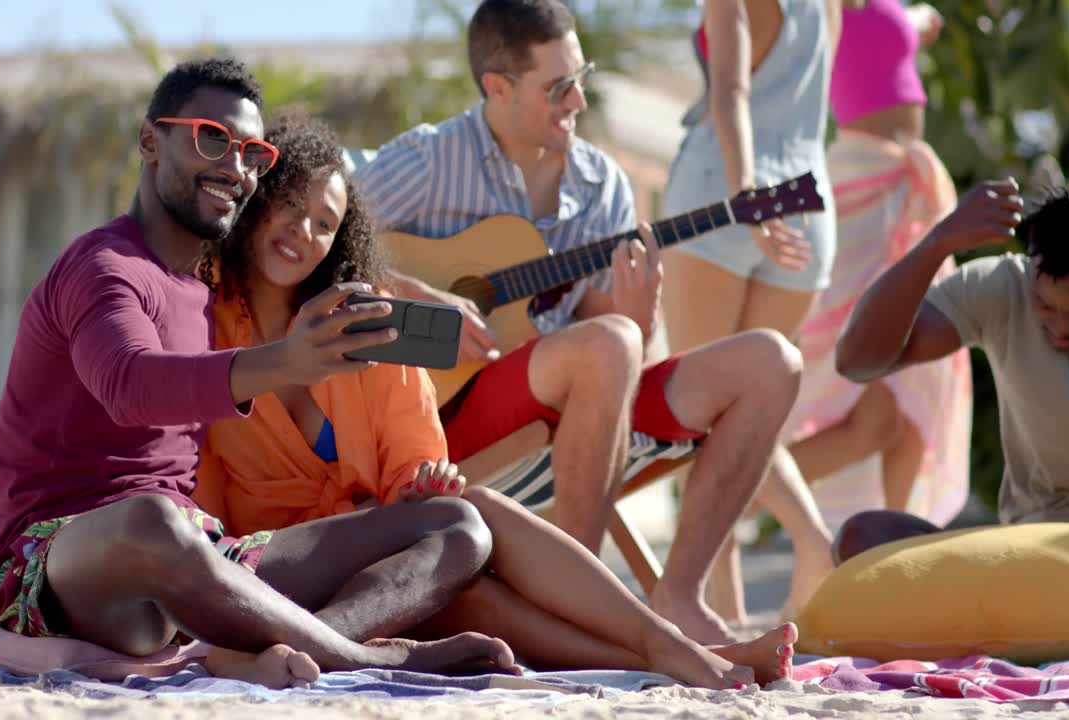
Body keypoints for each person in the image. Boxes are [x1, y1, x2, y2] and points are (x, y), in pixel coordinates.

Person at [195, 109, 798, 689]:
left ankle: (671, 651)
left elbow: (410, 459)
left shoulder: (370, 326)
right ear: (258, 198)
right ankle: (683, 652)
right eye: (291, 207)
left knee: (471, 542)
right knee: (460, 552)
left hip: (376, 567)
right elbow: (197, 496)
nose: (304, 232)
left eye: (325, 223)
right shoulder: (203, 324)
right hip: (272, 575)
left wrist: (418, 484)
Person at [0, 58, 519, 689]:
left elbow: (302, 250)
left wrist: (404, 293)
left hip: (197, 556)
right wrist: (286, 361)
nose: (234, 169)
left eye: (251, 154)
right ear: (152, 141)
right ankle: (369, 659)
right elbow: (132, 385)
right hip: (53, 563)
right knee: (152, 518)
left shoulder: (206, 289)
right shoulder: (104, 269)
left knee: (457, 524)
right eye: (212, 138)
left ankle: (316, 644)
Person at [355, 0, 829, 644]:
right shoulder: (431, 159)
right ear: (497, 88)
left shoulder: (600, 180)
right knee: (608, 345)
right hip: (449, 418)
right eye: (558, 87)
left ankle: (677, 592)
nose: (577, 100)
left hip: (583, 402)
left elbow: (610, 327)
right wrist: (417, 293)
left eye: (581, 77)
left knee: (773, 361)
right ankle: (580, 598)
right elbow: (322, 236)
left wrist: (638, 309)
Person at [657, 0, 843, 628]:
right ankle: (734, 601)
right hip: (808, 205)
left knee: (698, 417)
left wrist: (745, 196)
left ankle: (735, 589)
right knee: (751, 411)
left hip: (725, 197)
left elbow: (732, 90)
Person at [782, 0, 972, 535]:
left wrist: (917, 22)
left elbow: (898, 30)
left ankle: (899, 552)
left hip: (910, 197)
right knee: (874, 418)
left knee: (918, 387)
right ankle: (736, 489)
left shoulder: (884, 6)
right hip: (862, 187)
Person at [833, 179, 1069, 561]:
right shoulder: (1002, 288)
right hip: (1030, 555)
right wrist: (939, 242)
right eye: (1045, 306)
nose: (1062, 327)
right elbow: (857, 360)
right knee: (864, 538)